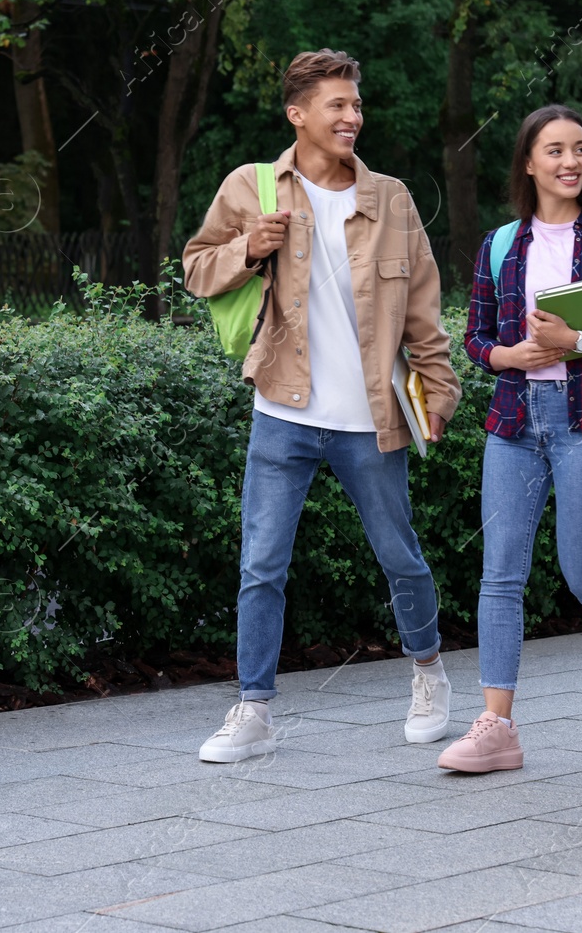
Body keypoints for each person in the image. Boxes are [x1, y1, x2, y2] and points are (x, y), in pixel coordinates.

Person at [182, 49, 462, 762]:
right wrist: (249, 246)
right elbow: (195, 268)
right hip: (283, 407)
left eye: (356, 105)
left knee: (400, 557)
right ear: (297, 113)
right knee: (261, 564)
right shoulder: (253, 188)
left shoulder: (391, 198)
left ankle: (429, 672)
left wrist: (441, 387)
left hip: (372, 417)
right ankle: (254, 709)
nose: (352, 117)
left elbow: (424, 308)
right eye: (337, 105)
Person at [439, 104, 582, 774]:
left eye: (579, 150)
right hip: (515, 421)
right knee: (500, 573)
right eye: (554, 151)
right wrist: (504, 357)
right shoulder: (500, 245)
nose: (570, 162)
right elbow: (477, 334)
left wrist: (574, 341)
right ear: (529, 163)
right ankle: (497, 727)